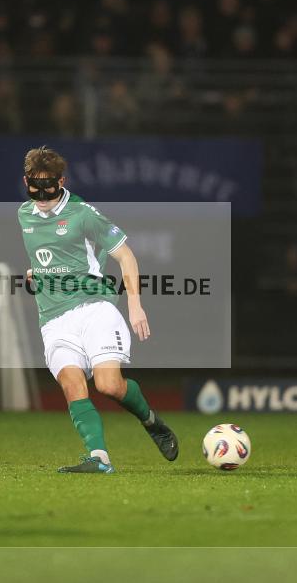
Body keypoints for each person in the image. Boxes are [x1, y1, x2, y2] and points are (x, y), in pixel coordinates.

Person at [17, 146, 178, 474]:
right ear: (26, 181)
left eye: (50, 187)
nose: (43, 194)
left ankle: (150, 420)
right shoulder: (24, 214)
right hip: (53, 319)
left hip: (94, 309)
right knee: (71, 383)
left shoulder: (83, 214)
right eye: (36, 186)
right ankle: (99, 458)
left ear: (62, 182)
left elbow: (126, 256)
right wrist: (36, 274)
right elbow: (48, 257)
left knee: (108, 386)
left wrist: (135, 304)